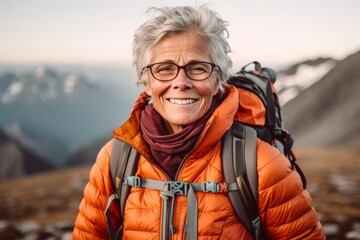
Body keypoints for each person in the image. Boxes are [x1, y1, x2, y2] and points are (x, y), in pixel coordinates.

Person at [73, 5, 325, 239]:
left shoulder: (263, 166)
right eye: (164, 68)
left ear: (218, 80)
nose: (181, 82)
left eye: (197, 68)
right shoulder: (115, 159)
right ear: (147, 82)